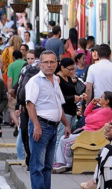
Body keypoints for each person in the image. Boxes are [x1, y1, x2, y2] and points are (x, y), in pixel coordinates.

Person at [25, 50, 72, 189]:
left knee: (47, 166)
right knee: (37, 166)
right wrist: (36, 125)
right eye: (46, 62)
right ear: (40, 64)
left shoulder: (56, 80)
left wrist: (66, 124)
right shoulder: (35, 81)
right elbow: (30, 105)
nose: (49, 65)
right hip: (41, 126)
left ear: (56, 64)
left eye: (52, 62)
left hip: (54, 126)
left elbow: (58, 105)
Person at [52, 91, 112, 173]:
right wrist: (92, 104)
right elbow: (86, 114)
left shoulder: (107, 111)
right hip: (88, 133)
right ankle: (62, 163)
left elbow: (87, 119)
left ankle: (65, 163)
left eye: (101, 97)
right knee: (64, 139)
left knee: (64, 140)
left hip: (92, 135)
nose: (99, 98)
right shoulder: (101, 109)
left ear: (107, 101)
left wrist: (88, 118)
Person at [53, 58, 86, 157]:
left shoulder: (70, 78)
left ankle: (63, 159)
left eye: (73, 69)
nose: (71, 71)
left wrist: (80, 97)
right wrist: (72, 98)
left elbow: (73, 92)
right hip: (64, 111)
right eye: (69, 69)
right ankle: (55, 160)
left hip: (72, 111)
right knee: (60, 137)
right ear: (62, 67)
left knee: (68, 137)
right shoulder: (58, 78)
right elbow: (57, 96)